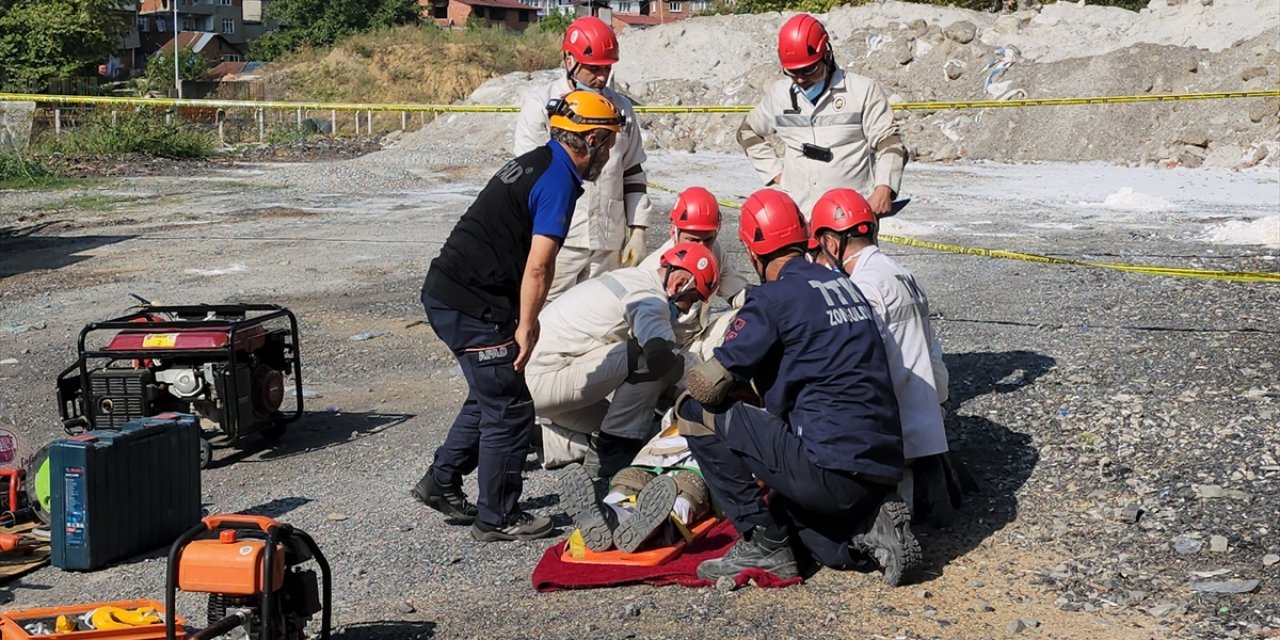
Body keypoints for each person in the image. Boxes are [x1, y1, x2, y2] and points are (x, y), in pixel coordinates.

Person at [674, 188, 922, 587]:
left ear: (754, 252)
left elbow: (706, 385)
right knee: (804, 534)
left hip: (828, 466)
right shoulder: (845, 286)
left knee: (691, 410)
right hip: (882, 465)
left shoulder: (771, 298)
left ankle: (760, 540)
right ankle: (866, 532)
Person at [411, 90, 626, 543]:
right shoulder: (559, 182)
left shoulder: (538, 160)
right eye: (605, 143)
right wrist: (528, 325)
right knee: (510, 409)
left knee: (491, 390)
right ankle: (498, 516)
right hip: (470, 301)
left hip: (455, 291)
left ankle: (441, 481)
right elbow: (540, 265)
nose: (608, 155)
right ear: (586, 141)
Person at [809, 188, 959, 524]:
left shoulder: (861, 287)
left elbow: (857, 368)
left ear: (831, 244)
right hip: (929, 417)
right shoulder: (904, 275)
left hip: (895, 434)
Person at [525, 242, 720, 478]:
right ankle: (613, 456)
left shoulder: (633, 277)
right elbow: (661, 360)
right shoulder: (650, 298)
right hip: (547, 381)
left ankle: (539, 438)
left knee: (633, 431)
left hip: (538, 381)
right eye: (692, 299)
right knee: (645, 357)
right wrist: (702, 382)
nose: (689, 308)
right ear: (679, 284)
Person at [514, 16, 654, 302]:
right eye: (593, 68)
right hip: (558, 238)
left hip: (607, 238)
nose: (602, 76)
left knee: (603, 317)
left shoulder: (622, 109)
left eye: (607, 67)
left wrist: (638, 231)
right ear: (569, 60)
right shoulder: (543, 105)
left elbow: (633, 172)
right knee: (546, 314)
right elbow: (528, 174)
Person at [737, 13, 908, 218]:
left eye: (808, 70)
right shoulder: (779, 95)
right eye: (792, 72)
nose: (800, 79)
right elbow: (747, 132)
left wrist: (884, 188)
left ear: (826, 55)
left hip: (851, 218)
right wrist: (775, 174)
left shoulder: (862, 91)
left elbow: (890, 142)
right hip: (801, 216)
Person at [637, 187, 752, 359]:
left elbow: (739, 294)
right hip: (658, 352)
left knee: (752, 314)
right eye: (693, 240)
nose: (701, 248)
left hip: (697, 342)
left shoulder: (715, 252)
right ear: (673, 232)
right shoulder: (652, 272)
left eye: (708, 239)